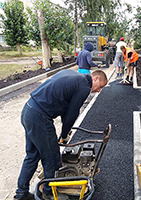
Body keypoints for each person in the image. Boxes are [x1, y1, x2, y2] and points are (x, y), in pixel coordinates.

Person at [14, 69, 107, 200]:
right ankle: (49, 192)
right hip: (40, 117)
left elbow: (66, 109)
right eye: (100, 87)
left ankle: (21, 193)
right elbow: (71, 114)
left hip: (29, 111)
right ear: (96, 78)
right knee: (51, 157)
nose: (98, 91)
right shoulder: (84, 87)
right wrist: (64, 134)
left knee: (32, 155)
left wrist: (65, 130)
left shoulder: (75, 77)